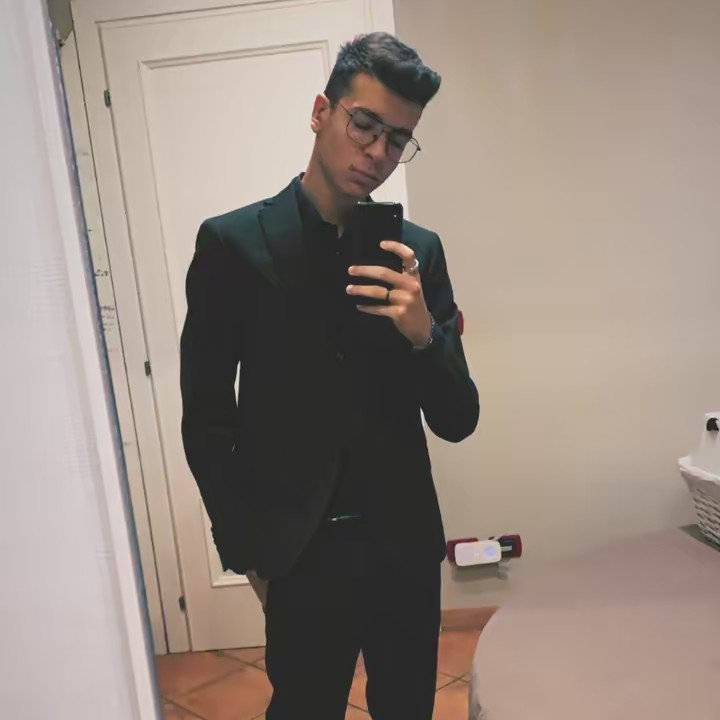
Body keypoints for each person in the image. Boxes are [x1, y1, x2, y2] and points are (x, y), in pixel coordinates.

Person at [180, 31, 479, 720]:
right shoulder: (233, 245)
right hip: (298, 552)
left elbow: (458, 419)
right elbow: (206, 416)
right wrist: (246, 549)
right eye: (364, 124)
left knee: (408, 708)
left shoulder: (418, 255)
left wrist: (423, 334)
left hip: (402, 547)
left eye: (398, 139)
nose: (377, 152)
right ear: (322, 113)